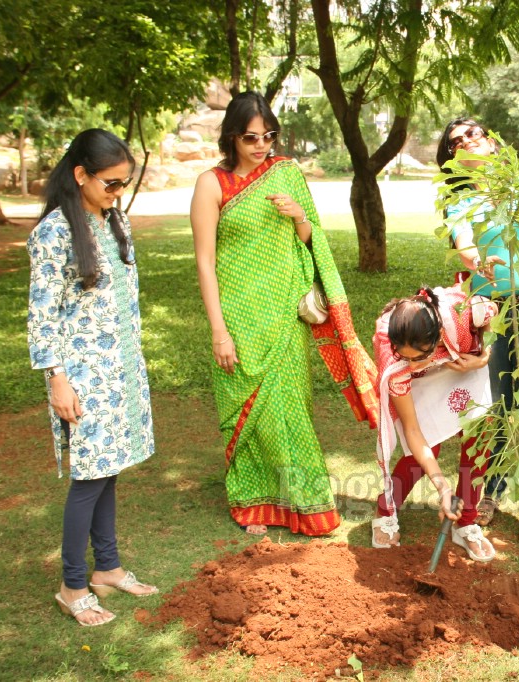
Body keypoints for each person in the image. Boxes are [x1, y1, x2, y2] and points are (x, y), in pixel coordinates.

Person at [190, 91, 377, 536]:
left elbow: (312, 239)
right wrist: (219, 330)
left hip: (284, 313)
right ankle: (255, 500)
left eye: (268, 136)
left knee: (290, 406)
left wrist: (299, 217)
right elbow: (204, 261)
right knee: (250, 411)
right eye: (250, 137)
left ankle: (305, 501)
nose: (261, 145)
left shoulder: (287, 173)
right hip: (238, 314)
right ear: (232, 137)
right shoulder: (211, 184)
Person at [28, 129, 157, 627]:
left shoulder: (113, 219)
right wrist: (57, 379)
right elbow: (42, 316)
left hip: (120, 366)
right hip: (81, 374)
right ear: (80, 174)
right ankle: (72, 585)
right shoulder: (54, 233)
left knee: (109, 471)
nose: (117, 192)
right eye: (110, 183)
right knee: (88, 478)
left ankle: (108, 568)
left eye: (124, 184)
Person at [435, 117, 519, 540]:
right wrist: (479, 263)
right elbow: (466, 244)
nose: (468, 140)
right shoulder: (460, 202)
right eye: (457, 140)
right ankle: (492, 493)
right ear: (453, 156)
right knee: (497, 406)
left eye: (474, 133)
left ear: (490, 141)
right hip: (490, 312)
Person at [371, 286, 497, 561]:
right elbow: (414, 432)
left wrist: (483, 357)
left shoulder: (465, 313)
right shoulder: (396, 362)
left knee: (479, 434)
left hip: (460, 364)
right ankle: (386, 510)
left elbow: (496, 317)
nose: (412, 363)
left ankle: (467, 522)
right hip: (418, 383)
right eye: (405, 356)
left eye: (418, 356)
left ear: (439, 336)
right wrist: (442, 488)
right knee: (426, 449)